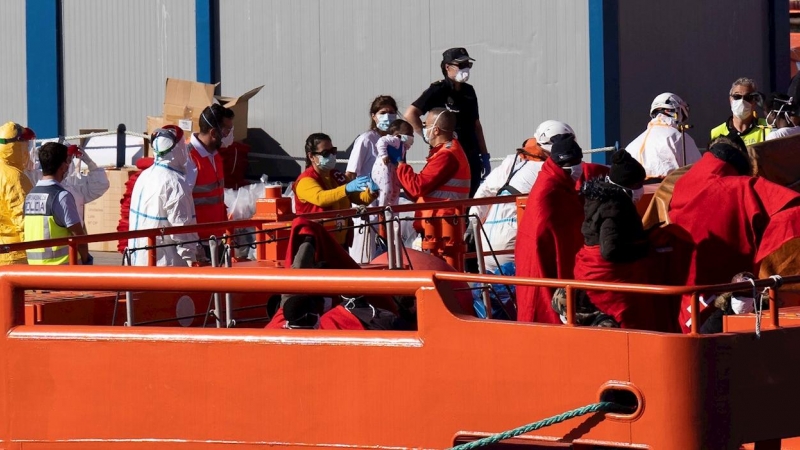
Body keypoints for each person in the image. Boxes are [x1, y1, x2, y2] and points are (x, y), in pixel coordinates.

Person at [668, 136, 800, 332]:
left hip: (683, 300)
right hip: (726, 298)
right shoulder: (743, 187)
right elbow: (793, 209)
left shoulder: (679, 185)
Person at [514, 124, 609, 324]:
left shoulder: (555, 179)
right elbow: (557, 231)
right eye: (571, 165)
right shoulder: (549, 192)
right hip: (543, 265)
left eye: (578, 163)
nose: (576, 169)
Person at [573, 150, 658, 330]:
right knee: (627, 322)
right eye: (638, 184)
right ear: (627, 185)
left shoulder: (599, 198)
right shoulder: (615, 207)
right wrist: (645, 249)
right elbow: (610, 249)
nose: (641, 188)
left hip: (588, 269)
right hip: (607, 277)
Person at [404, 47, 490, 196]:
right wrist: (426, 135)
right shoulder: (438, 90)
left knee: (472, 196)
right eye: (461, 65)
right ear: (447, 67)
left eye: (468, 65)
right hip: (448, 154)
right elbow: (410, 114)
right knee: (446, 194)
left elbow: (476, 125)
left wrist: (485, 155)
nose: (465, 69)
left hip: (470, 152)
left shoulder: (469, 91)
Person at [127, 126, 205, 266]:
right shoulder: (175, 183)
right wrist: (192, 259)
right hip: (165, 267)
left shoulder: (144, 176)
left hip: (137, 261)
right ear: (178, 149)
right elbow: (182, 230)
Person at [468, 137, 547, 272]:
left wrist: (472, 225)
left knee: (489, 288)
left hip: (485, 239)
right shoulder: (543, 170)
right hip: (511, 239)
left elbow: (484, 191)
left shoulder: (509, 165)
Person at [293, 133, 377, 248]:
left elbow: (359, 198)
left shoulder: (337, 175)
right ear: (311, 156)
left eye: (333, 151)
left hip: (340, 241)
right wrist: (346, 188)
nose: (331, 155)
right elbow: (321, 198)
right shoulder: (305, 180)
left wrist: (372, 191)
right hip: (316, 243)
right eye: (325, 153)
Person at [395, 108, 471, 233]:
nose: (423, 128)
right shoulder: (446, 151)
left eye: (425, 125)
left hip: (442, 227)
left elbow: (417, 187)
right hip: (438, 224)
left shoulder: (446, 155)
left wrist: (401, 164)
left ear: (436, 130)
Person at [346, 95, 399, 262]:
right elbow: (350, 173)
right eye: (383, 112)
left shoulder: (395, 142)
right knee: (364, 256)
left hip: (388, 205)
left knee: (389, 256)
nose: (388, 116)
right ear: (373, 115)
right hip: (367, 206)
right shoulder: (366, 140)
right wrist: (357, 199)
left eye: (392, 112)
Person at [23, 142, 91, 265]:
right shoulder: (61, 196)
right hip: (62, 270)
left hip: (35, 269)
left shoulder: (30, 196)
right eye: (68, 162)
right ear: (63, 166)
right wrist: (86, 260)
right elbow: (79, 237)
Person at [188, 104, 234, 253]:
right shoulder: (188, 159)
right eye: (227, 130)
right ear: (214, 132)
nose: (229, 135)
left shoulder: (214, 155)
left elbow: (215, 196)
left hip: (214, 238)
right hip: (197, 242)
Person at [624, 92, 700, 179]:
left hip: (640, 192)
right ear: (676, 112)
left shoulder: (631, 146)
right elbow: (698, 172)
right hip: (669, 190)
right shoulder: (679, 137)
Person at [0, 122, 35, 265]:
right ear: (16, 145)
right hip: (14, 256)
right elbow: (25, 221)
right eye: (25, 143)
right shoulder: (14, 177)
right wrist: (35, 254)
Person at [710, 77, 770, 145]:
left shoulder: (767, 127)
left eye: (748, 97)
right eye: (737, 97)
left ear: (755, 101)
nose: (742, 101)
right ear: (730, 99)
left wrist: (766, 108)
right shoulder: (716, 133)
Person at [62, 144, 110, 225]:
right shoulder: (39, 180)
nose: (67, 164)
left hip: (72, 236)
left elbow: (100, 186)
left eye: (70, 159)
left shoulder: (73, 187)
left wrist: (91, 164)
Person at [372, 119, 414, 208]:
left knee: (396, 190)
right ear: (397, 134)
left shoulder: (403, 147)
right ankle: (382, 209)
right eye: (408, 133)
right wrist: (384, 155)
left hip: (392, 170)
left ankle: (393, 211)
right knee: (387, 189)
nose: (411, 136)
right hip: (384, 168)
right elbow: (381, 141)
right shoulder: (396, 140)